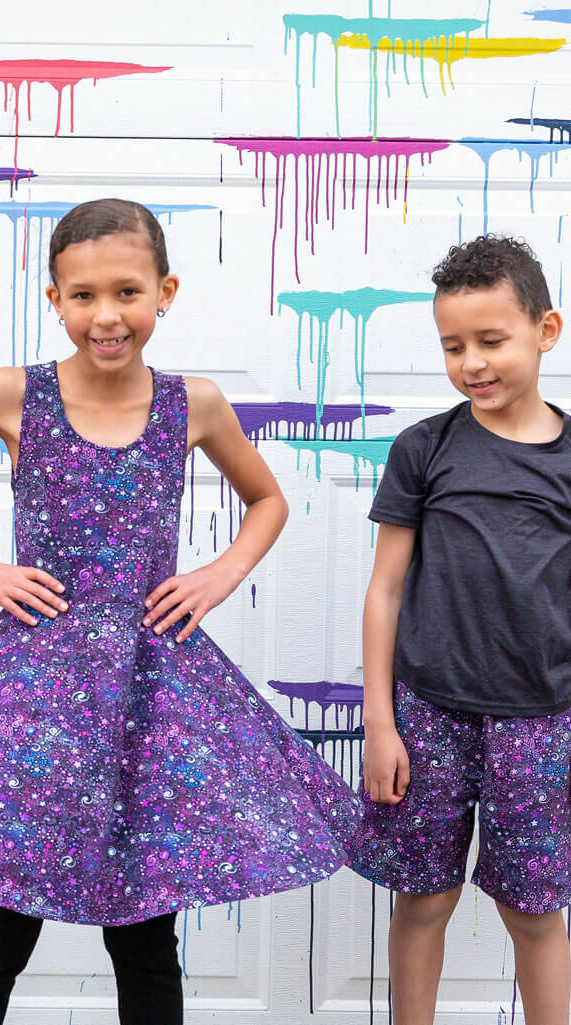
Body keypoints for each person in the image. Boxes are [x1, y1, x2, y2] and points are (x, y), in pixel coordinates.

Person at [0, 198, 362, 1025]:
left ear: (165, 292)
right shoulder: (12, 394)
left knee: (145, 937)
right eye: (83, 295)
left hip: (149, 698)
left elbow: (267, 499)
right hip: (35, 701)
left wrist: (217, 575)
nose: (106, 315)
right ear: (54, 299)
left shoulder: (194, 404)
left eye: (127, 292)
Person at [351, 235, 571, 1025]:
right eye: (453, 346)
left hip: (541, 721)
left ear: (545, 330)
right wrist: (381, 724)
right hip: (429, 716)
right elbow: (385, 590)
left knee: (535, 913)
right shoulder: (425, 448)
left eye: (491, 340)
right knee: (422, 901)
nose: (472, 363)